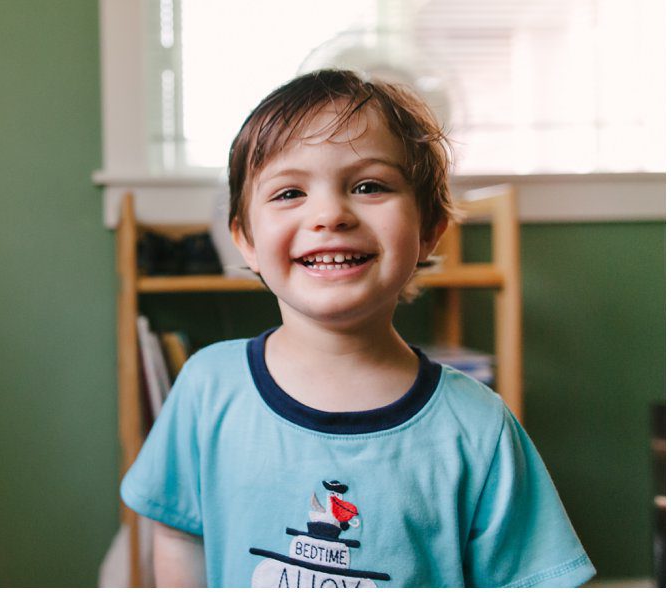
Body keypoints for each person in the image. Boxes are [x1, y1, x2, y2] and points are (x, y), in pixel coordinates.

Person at [121, 70, 595, 587]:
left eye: (369, 186)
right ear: (246, 239)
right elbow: (178, 534)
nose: (329, 214)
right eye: (289, 193)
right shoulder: (207, 387)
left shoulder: (478, 427)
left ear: (429, 231)